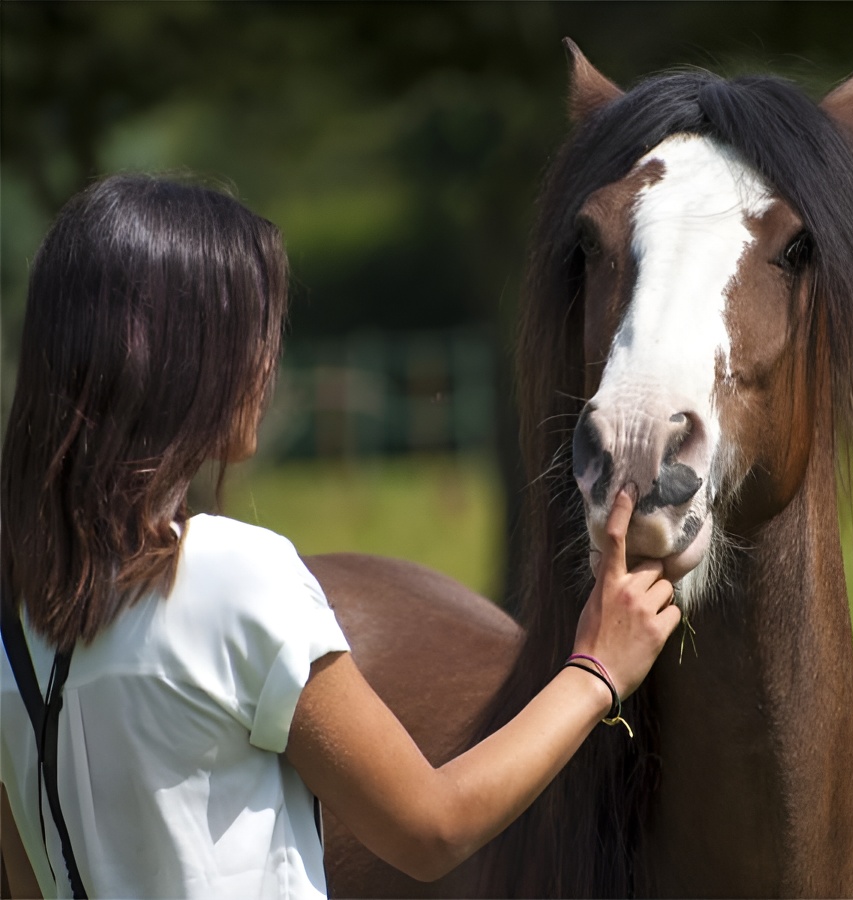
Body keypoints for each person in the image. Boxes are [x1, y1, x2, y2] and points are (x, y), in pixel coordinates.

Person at [0, 174, 681, 899]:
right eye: (252, 337)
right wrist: (595, 670)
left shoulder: (16, 626)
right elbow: (433, 828)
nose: (267, 368)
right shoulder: (231, 575)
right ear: (180, 360)